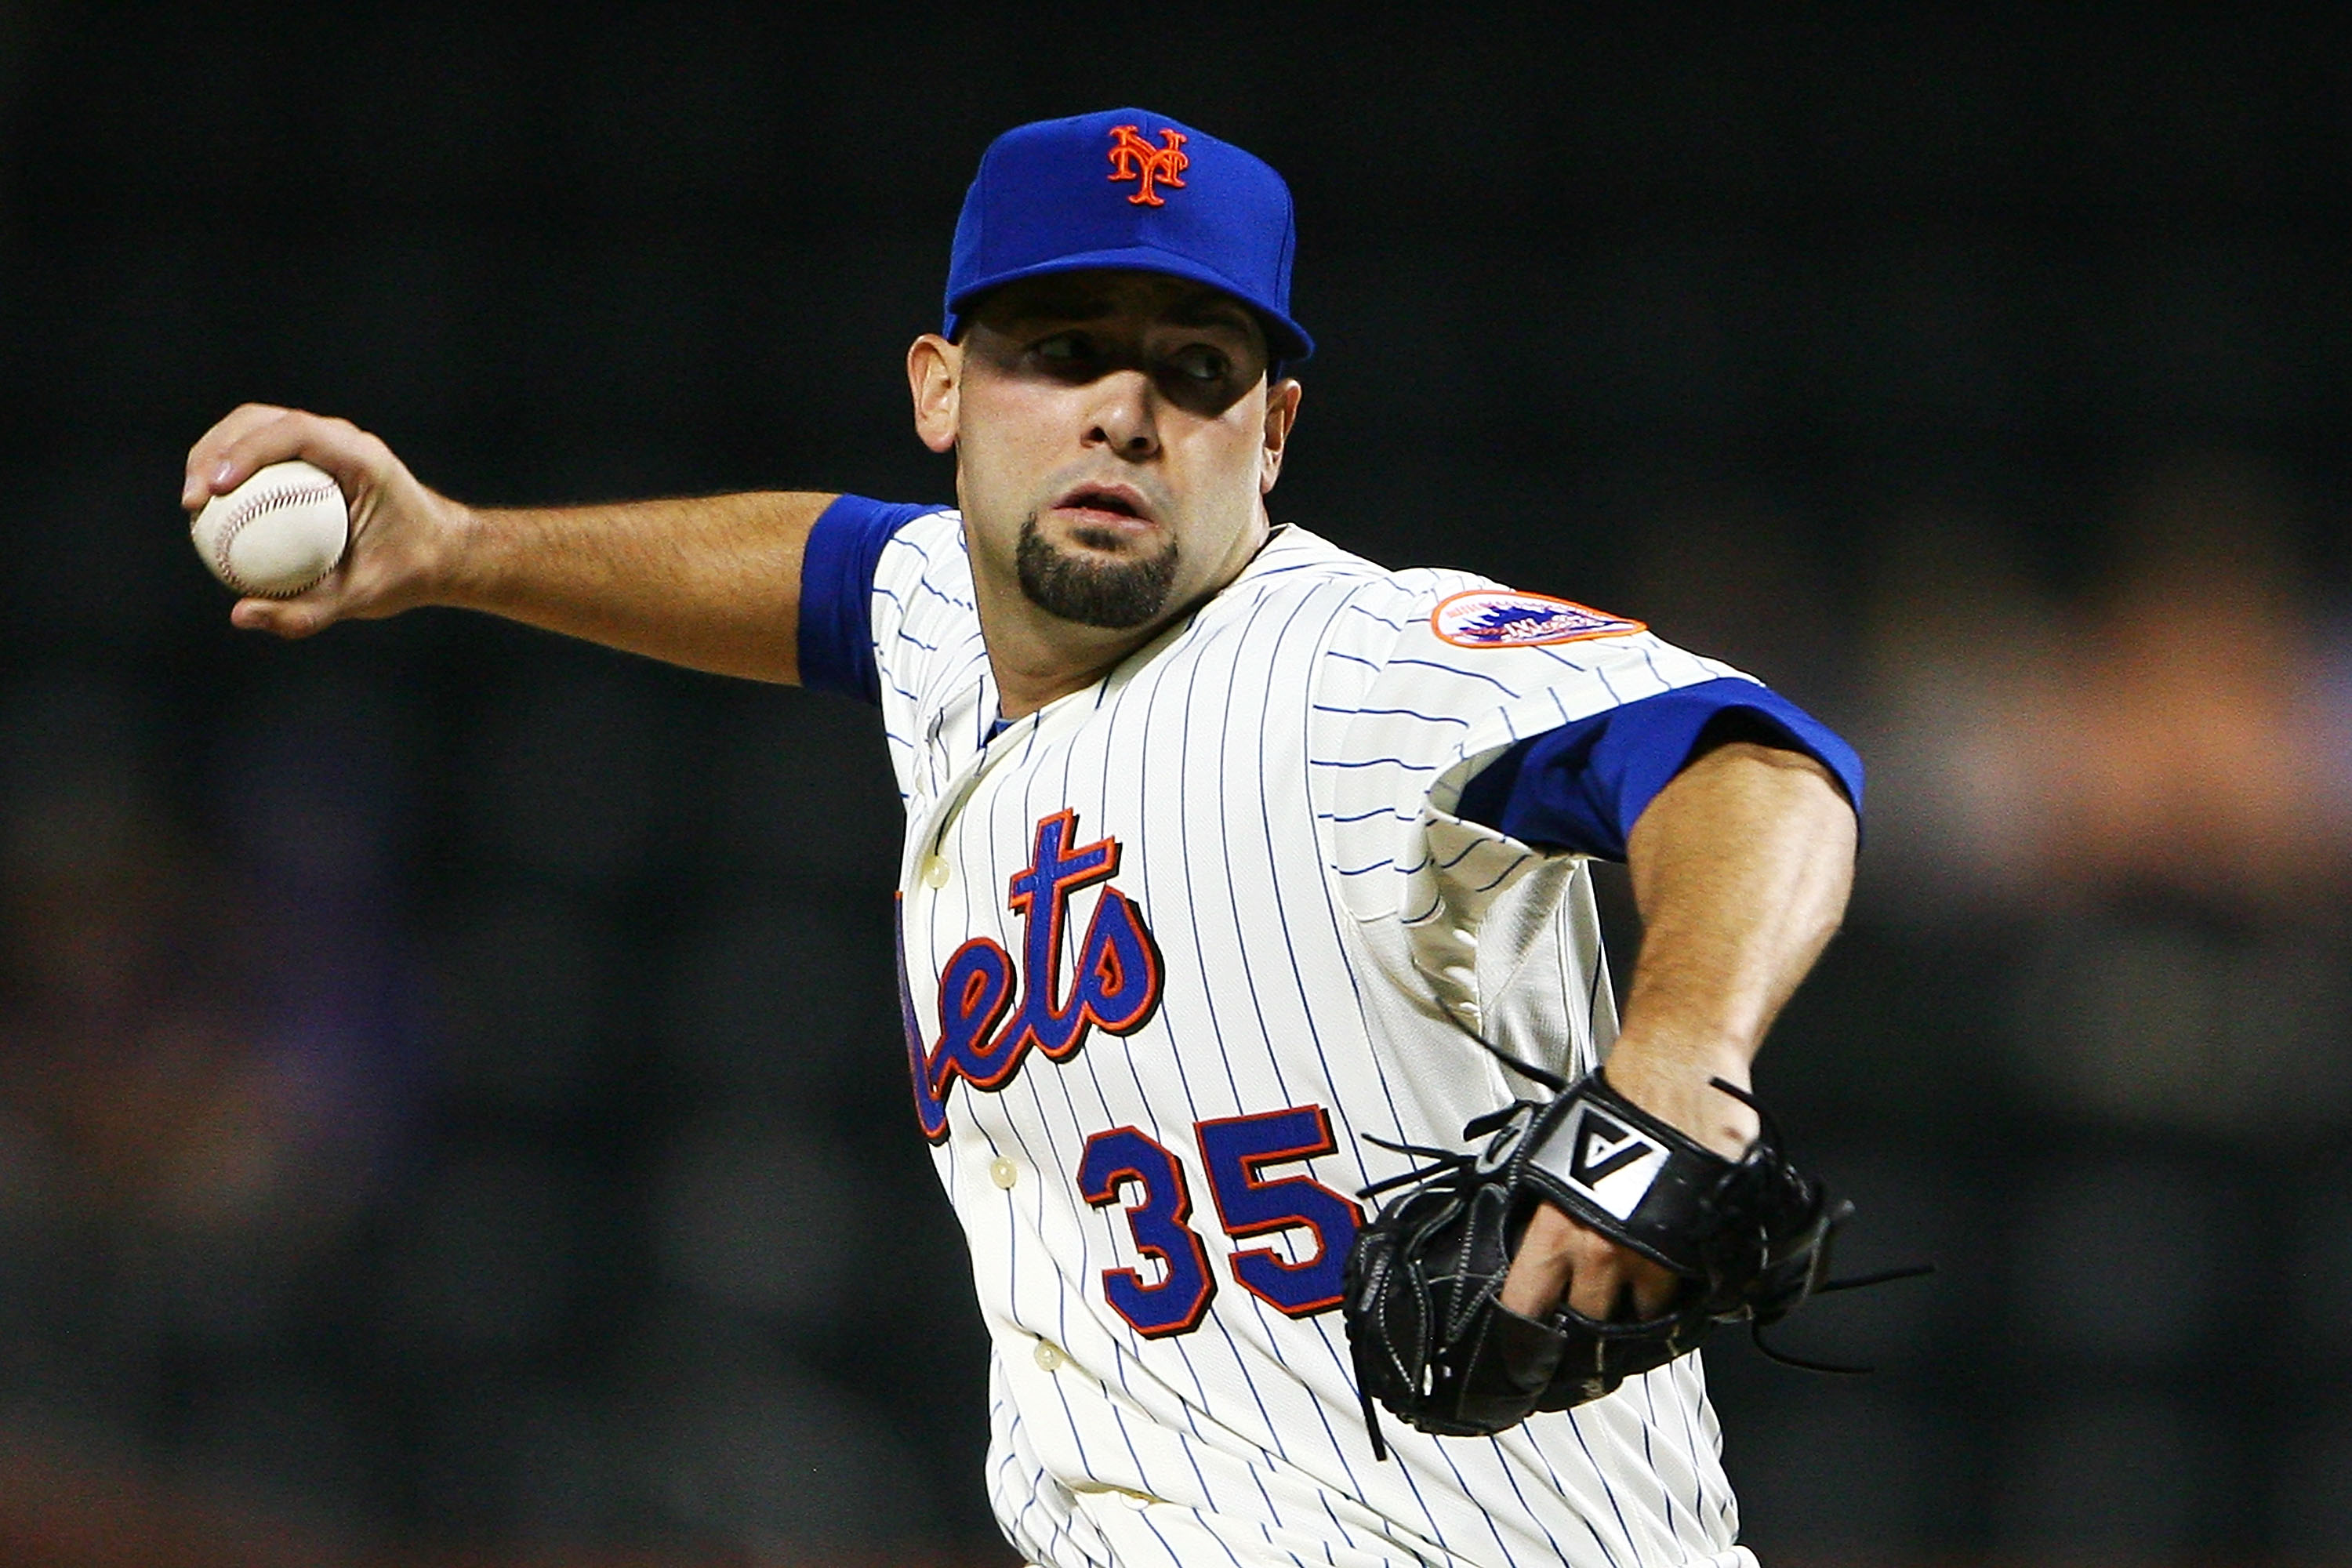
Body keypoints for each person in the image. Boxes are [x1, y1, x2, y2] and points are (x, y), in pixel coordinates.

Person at [183, 108, 1860, 1568]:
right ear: (942, 391)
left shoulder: (1361, 663)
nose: (1123, 410)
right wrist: (459, 547)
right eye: (1061, 351)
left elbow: (1755, 762)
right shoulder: (958, 624)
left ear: (1272, 432)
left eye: (1196, 373)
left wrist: (1682, 1056)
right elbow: (832, 576)